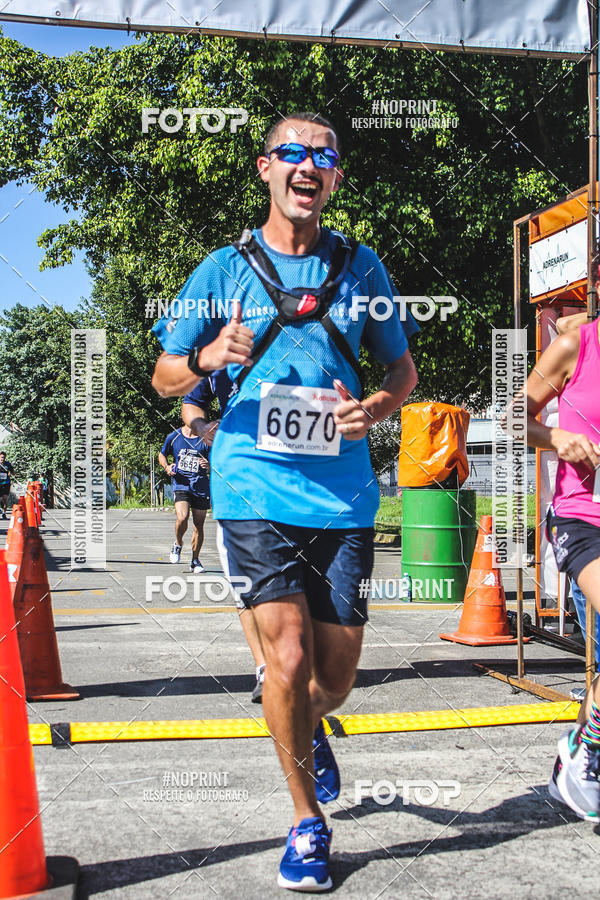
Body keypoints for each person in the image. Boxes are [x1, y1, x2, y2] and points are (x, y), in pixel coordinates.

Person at [152, 111, 417, 891]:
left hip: (343, 498)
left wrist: (375, 409)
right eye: (293, 153)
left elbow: (400, 373)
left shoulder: (362, 267)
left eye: (324, 156)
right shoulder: (223, 269)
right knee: (288, 662)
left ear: (335, 178)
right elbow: (168, 375)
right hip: (251, 486)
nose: (309, 165)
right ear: (265, 168)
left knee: (333, 680)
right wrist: (206, 356)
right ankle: (307, 821)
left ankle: (312, 721)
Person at [526, 294, 600, 822]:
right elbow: (514, 417)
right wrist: (558, 437)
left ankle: (575, 750)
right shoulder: (576, 344)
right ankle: (587, 753)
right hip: (582, 518)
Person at [182, 372, 267, 703]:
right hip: (239, 485)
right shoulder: (218, 348)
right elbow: (190, 401)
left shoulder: (305, 337)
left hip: (304, 483)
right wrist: (203, 428)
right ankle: (265, 669)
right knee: (243, 582)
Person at [158, 424, 211, 573]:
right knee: (183, 517)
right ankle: (178, 543)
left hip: (200, 485)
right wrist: (167, 467)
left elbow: (217, 462)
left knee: (198, 524)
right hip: (181, 484)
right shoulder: (174, 436)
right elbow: (162, 454)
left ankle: (195, 560)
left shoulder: (206, 439)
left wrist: (208, 464)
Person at [0, 451, 14, 519]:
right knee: (1, 499)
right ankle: (1, 508)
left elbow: (12, 472)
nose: (3, 459)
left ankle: (4, 513)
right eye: (2, 457)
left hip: (6, 483)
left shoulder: (8, 464)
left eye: (4, 457)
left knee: (5, 498)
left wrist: (10, 473)